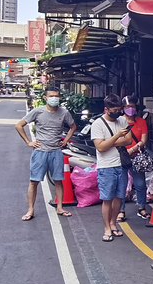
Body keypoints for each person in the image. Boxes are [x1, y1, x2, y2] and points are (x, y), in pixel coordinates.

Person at [15, 86, 77, 221]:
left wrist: (65, 140)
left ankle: (60, 207)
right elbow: (19, 125)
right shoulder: (37, 111)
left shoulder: (64, 112)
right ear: (45, 98)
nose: (54, 98)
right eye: (51, 96)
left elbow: (73, 126)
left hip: (56, 151)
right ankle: (30, 210)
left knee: (58, 180)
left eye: (56, 96)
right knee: (34, 181)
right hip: (40, 152)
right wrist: (28, 142)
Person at [91, 94, 133, 242]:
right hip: (106, 167)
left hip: (121, 165)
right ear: (106, 110)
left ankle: (113, 223)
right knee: (107, 198)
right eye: (114, 110)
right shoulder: (98, 124)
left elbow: (128, 140)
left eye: (119, 109)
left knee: (119, 197)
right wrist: (116, 137)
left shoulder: (122, 120)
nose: (118, 113)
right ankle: (107, 227)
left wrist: (109, 142)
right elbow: (100, 148)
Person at [118, 95, 150, 222]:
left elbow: (144, 140)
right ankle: (121, 210)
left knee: (140, 184)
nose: (129, 108)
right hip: (121, 157)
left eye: (132, 106)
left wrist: (133, 149)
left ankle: (141, 207)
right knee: (121, 184)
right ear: (122, 108)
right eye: (127, 106)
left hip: (137, 157)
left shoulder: (141, 122)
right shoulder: (119, 122)